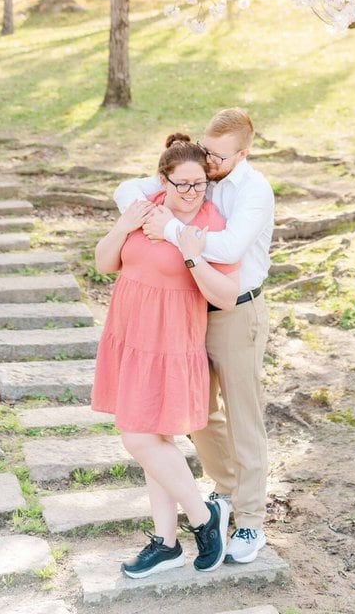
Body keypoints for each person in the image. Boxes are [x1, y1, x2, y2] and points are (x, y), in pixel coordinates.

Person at [114, 107, 274, 564]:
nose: (209, 163)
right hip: (189, 310)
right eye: (206, 150)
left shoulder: (254, 190)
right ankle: (223, 493)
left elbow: (226, 248)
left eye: (219, 157)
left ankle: (249, 522)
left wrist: (169, 228)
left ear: (242, 153)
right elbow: (126, 190)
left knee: (244, 416)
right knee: (199, 415)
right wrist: (147, 211)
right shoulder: (197, 172)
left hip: (236, 310)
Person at [92, 133, 238, 578]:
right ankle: (167, 542)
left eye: (200, 185)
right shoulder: (144, 207)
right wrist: (122, 226)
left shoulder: (210, 226)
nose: (192, 194)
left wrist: (194, 258)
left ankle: (202, 517)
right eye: (183, 185)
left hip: (170, 342)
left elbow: (227, 296)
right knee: (154, 442)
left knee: (138, 438)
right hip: (130, 335)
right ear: (164, 180)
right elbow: (104, 263)